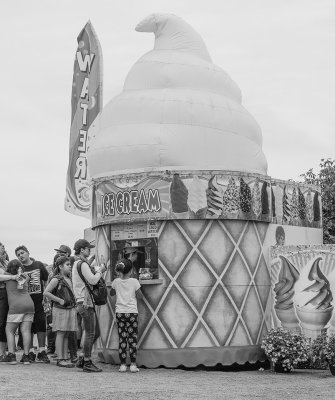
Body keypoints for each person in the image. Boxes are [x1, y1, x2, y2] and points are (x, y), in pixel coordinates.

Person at [72, 239, 106, 373]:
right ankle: (87, 361)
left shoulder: (77, 263)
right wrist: (101, 270)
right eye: (88, 248)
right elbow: (92, 280)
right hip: (85, 302)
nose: (89, 250)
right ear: (82, 250)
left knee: (94, 332)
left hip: (82, 302)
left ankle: (82, 357)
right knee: (91, 333)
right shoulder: (82, 264)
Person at [15, 245, 50, 363]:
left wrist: (46, 295)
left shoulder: (38, 265)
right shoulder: (19, 269)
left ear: (28, 253)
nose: (21, 255)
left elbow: (46, 279)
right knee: (27, 326)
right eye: (18, 255)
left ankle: (41, 351)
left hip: (39, 300)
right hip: (25, 301)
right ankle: (29, 351)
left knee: (41, 324)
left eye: (22, 253)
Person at [110, 258, 143, 373]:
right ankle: (133, 365)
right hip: (132, 313)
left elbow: (111, 293)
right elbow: (140, 296)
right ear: (131, 270)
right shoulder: (134, 281)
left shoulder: (116, 282)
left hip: (120, 313)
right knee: (132, 339)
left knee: (122, 339)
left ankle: (123, 365)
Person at [44, 256, 77, 368]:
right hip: (60, 309)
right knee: (61, 333)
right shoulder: (56, 279)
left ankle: (65, 357)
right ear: (60, 266)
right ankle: (60, 358)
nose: (70, 266)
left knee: (67, 333)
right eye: (67, 264)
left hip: (70, 308)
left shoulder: (69, 278)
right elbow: (46, 292)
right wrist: (59, 300)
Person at [3, 260, 34, 365]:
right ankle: (26, 356)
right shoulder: (25, 276)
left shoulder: (7, 276)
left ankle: (11, 355)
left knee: (10, 330)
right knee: (26, 331)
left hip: (16, 306)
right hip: (29, 304)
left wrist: (11, 276)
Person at [0, 242, 9, 362]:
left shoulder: (6, 262)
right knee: (1, 322)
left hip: (7, 293)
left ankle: (4, 351)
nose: (3, 248)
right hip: (1, 291)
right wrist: (12, 277)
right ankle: (1, 352)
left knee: (6, 322)